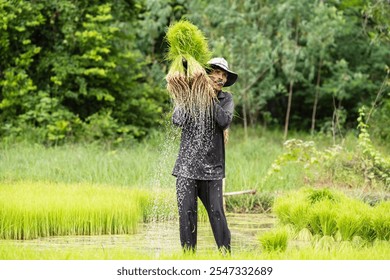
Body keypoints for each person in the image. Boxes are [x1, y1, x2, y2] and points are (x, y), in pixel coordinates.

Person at [171, 57, 238, 253]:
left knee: (217, 214)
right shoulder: (191, 95)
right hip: (186, 168)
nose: (220, 78)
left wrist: (209, 96)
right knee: (187, 215)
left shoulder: (226, 99)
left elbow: (224, 121)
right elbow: (177, 119)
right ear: (206, 74)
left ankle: (226, 257)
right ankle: (189, 258)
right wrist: (192, 92)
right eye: (217, 73)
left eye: (224, 75)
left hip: (212, 170)